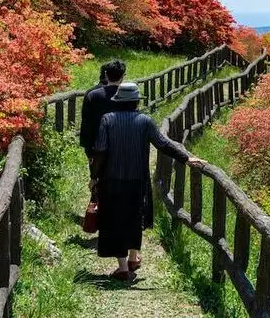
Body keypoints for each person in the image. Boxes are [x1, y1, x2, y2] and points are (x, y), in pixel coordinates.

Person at [90, 82, 205, 280]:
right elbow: (163, 143)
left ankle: (123, 268)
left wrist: (94, 177)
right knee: (135, 217)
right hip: (138, 180)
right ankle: (134, 258)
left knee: (116, 220)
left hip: (112, 180)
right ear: (136, 102)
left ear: (118, 101)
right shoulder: (145, 121)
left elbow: (100, 151)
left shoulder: (107, 120)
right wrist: (186, 158)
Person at [79, 60, 126, 160]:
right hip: (121, 144)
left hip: (97, 146)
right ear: (123, 76)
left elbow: (86, 122)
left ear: (105, 74)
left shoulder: (92, 94)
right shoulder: (128, 95)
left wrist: (88, 147)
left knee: (99, 174)